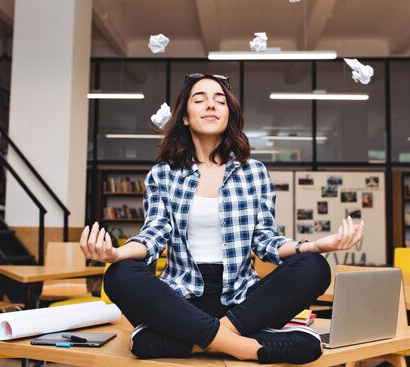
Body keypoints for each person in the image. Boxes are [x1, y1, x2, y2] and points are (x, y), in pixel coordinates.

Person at [80, 73, 364, 364]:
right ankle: (246, 347)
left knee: (314, 267)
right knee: (119, 274)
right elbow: (153, 235)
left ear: (230, 115)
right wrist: (115, 253)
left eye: (220, 100)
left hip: (242, 301)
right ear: (186, 118)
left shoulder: (254, 172)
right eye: (199, 99)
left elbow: (266, 240)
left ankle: (199, 340)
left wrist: (315, 246)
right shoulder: (163, 174)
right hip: (181, 300)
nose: (211, 105)